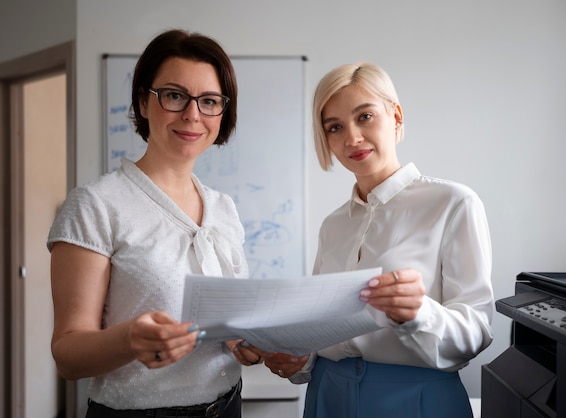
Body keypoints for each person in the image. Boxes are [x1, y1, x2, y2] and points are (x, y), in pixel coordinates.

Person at [258, 62, 495, 417]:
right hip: (327, 395)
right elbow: (327, 328)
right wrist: (301, 359)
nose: (351, 138)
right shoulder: (333, 224)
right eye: (335, 127)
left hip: (415, 398)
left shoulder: (453, 203)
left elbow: (476, 331)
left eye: (364, 117)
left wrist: (418, 313)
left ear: (396, 117)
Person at [47, 29, 262, 418]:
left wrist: (243, 343)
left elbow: (227, 325)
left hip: (229, 404)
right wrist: (130, 339)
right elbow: (67, 355)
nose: (193, 114)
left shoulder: (223, 207)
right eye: (175, 95)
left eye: (209, 101)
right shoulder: (96, 204)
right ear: (144, 102)